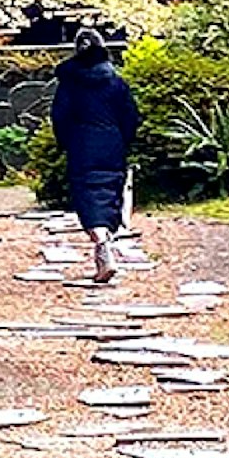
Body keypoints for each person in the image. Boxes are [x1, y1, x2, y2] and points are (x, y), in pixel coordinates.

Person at [49, 32, 143, 287]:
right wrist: (123, 139)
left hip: (82, 144)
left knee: (87, 193)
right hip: (112, 143)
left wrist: (65, 141)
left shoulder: (70, 83)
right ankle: (106, 242)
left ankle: (101, 243)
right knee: (111, 190)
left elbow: (60, 116)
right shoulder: (116, 82)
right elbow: (131, 116)